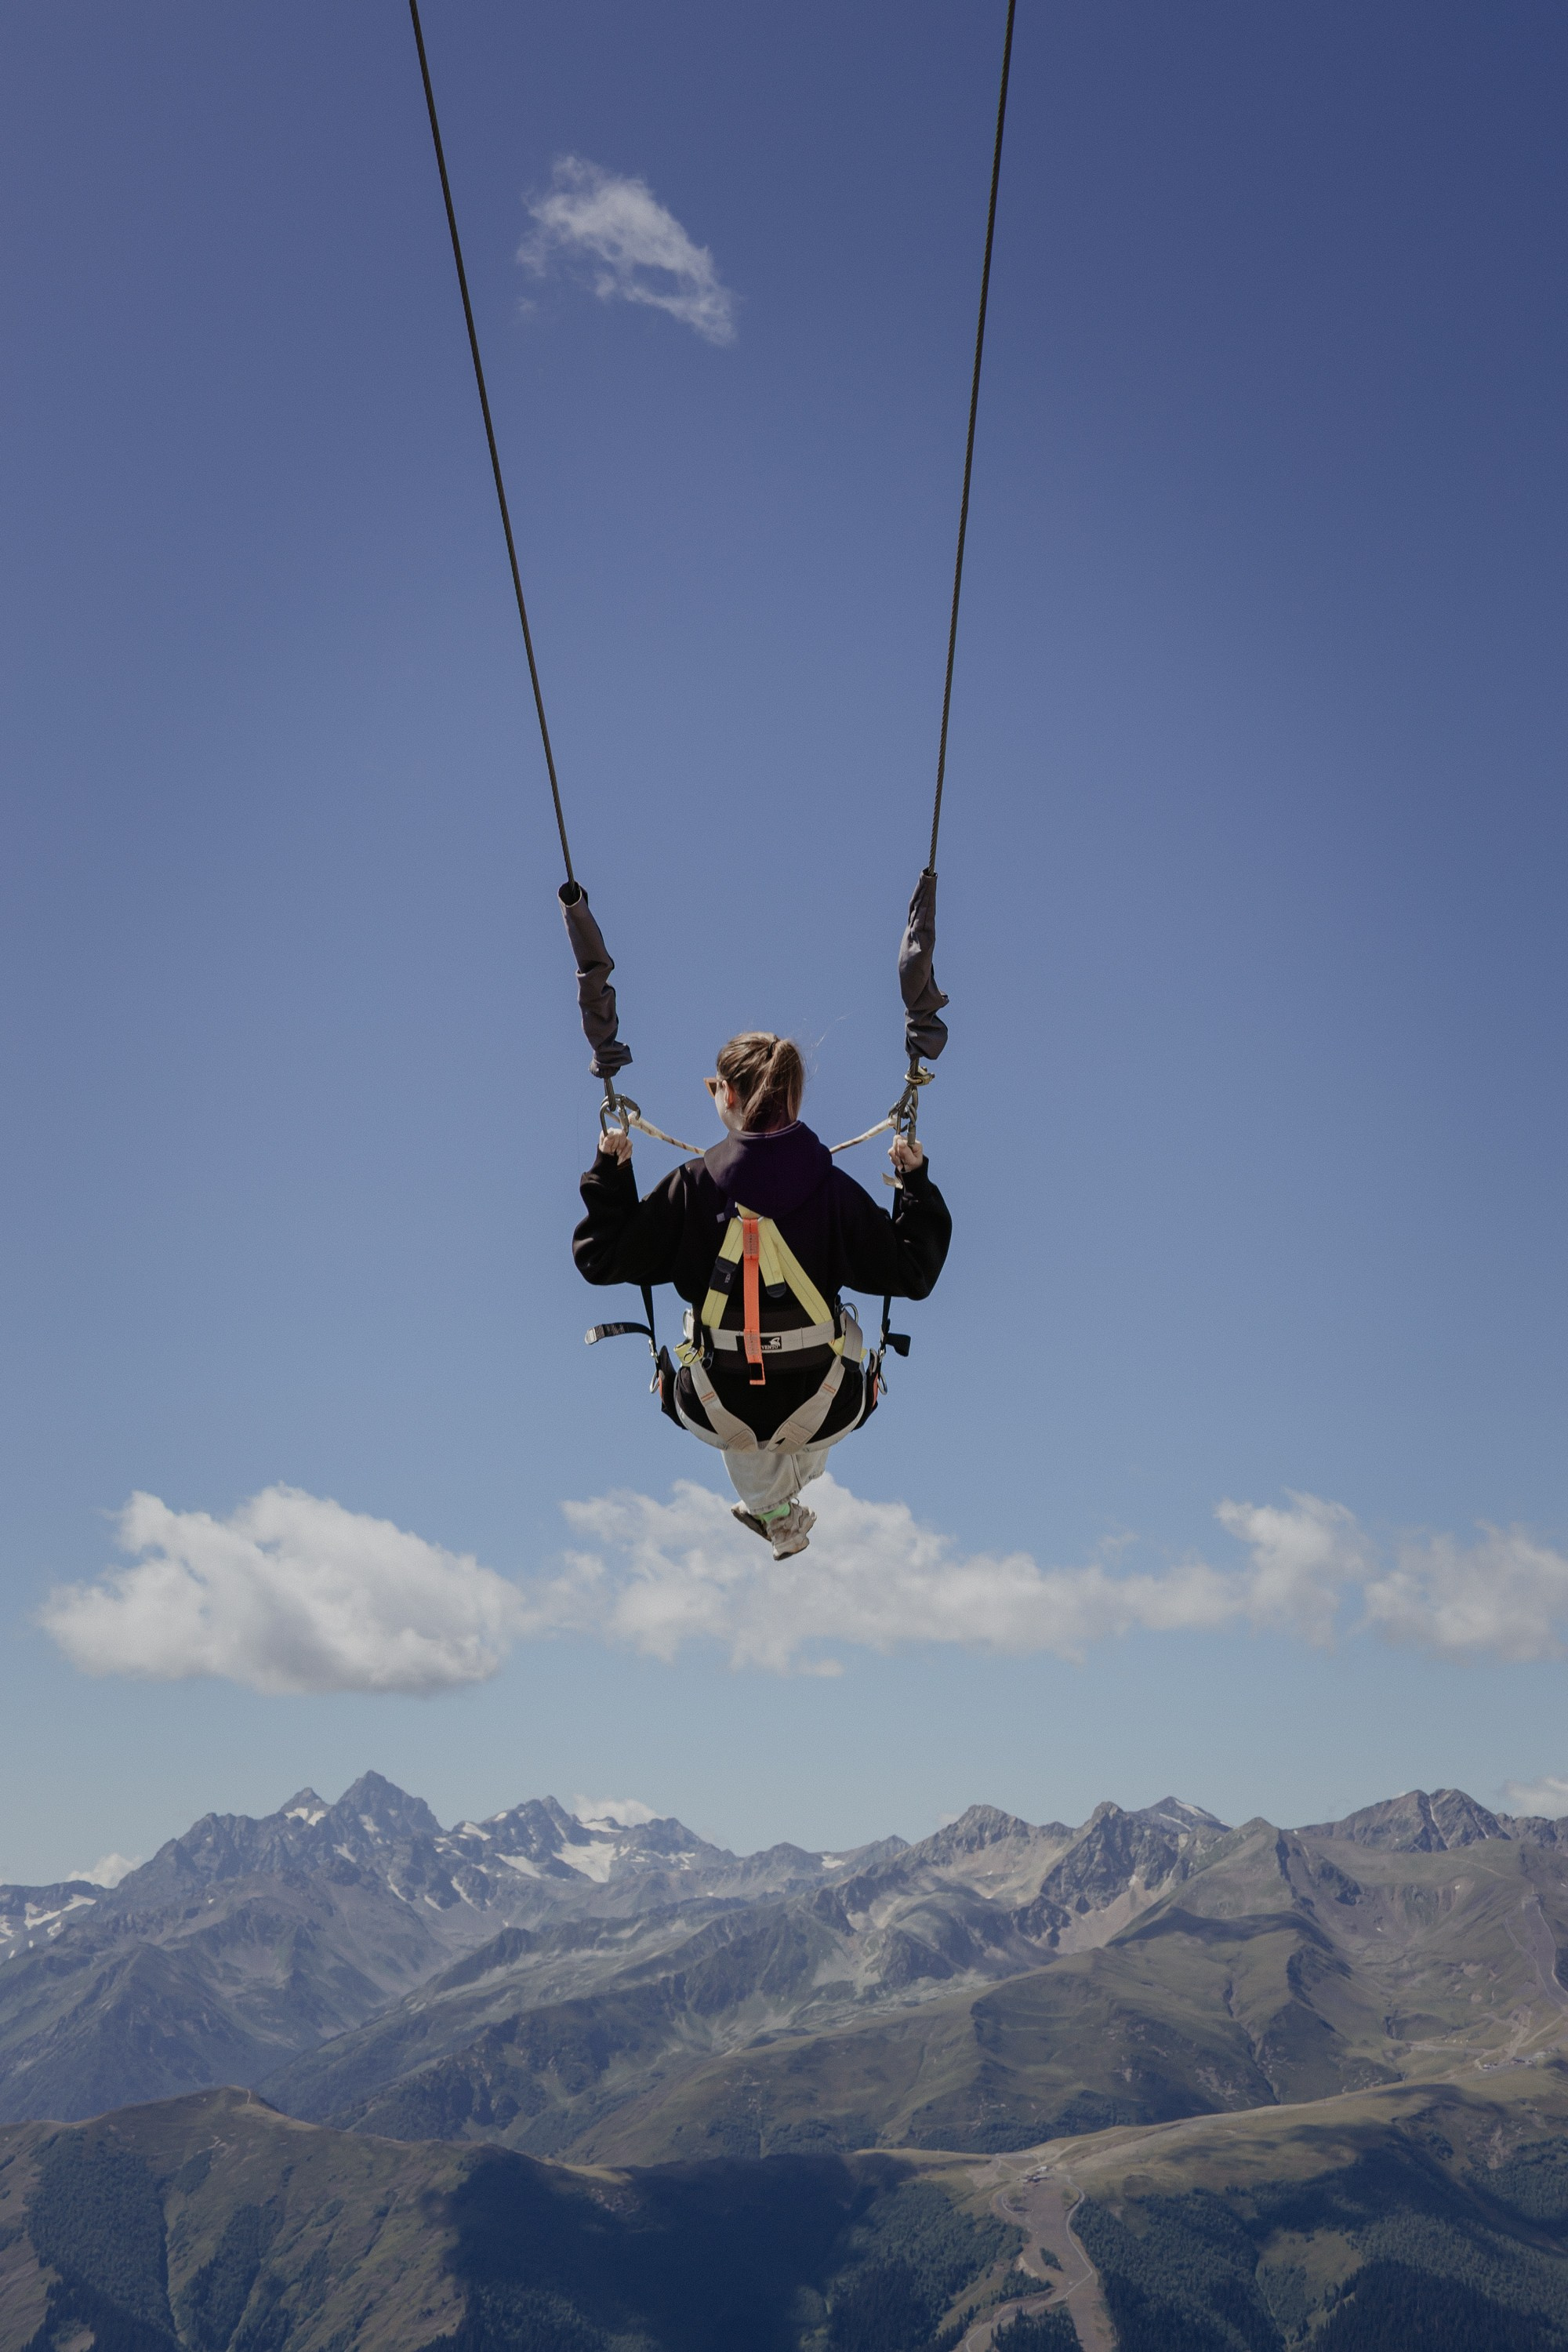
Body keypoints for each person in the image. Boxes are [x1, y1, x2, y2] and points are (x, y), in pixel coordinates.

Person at [574, 1032, 952, 1559]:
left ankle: (772, 1506)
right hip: (827, 1403)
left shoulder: (690, 1189)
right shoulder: (834, 1192)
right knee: (789, 1425)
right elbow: (914, 1271)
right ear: (794, 1098)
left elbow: (601, 1257)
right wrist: (915, 1184)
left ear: (726, 1094)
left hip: (717, 1405)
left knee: (746, 1429)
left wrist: (610, 1177)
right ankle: (775, 1504)